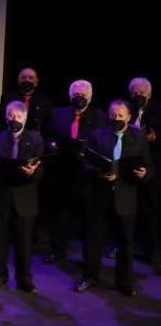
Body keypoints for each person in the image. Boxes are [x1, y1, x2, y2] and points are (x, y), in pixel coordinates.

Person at [75, 100, 153, 296]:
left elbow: (149, 166)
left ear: (128, 116)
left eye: (120, 115)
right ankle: (90, 277)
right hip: (100, 197)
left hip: (126, 197)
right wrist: (99, 173)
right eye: (113, 114)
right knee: (94, 240)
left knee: (125, 242)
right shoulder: (97, 135)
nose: (116, 118)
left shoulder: (138, 137)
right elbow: (86, 164)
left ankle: (124, 281)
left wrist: (145, 173)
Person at [42, 80, 107, 264]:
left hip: (87, 175)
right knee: (60, 215)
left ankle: (89, 258)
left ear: (90, 97)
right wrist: (53, 144)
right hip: (62, 172)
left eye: (84, 95)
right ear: (70, 96)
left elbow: (102, 143)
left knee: (88, 218)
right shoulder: (57, 114)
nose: (80, 98)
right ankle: (58, 251)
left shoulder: (100, 117)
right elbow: (47, 136)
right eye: (76, 95)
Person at [0, 101, 43, 293]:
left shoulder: (35, 139)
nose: (14, 120)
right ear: (6, 117)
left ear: (25, 118)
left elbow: (41, 169)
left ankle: (24, 279)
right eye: (11, 116)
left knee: (24, 243)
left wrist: (32, 172)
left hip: (25, 199)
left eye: (18, 117)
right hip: (2, 197)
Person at [128, 77, 161, 271]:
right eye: (135, 93)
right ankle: (124, 246)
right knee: (128, 208)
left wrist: (154, 140)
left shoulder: (157, 113)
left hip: (151, 169)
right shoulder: (127, 111)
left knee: (150, 209)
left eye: (142, 93)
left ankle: (150, 250)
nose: (138, 96)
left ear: (149, 95)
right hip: (129, 167)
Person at [0, 67, 53, 133]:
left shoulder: (45, 102)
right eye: (23, 78)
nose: (27, 80)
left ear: (36, 82)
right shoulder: (8, 99)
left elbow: (49, 125)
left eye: (31, 78)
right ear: (18, 81)